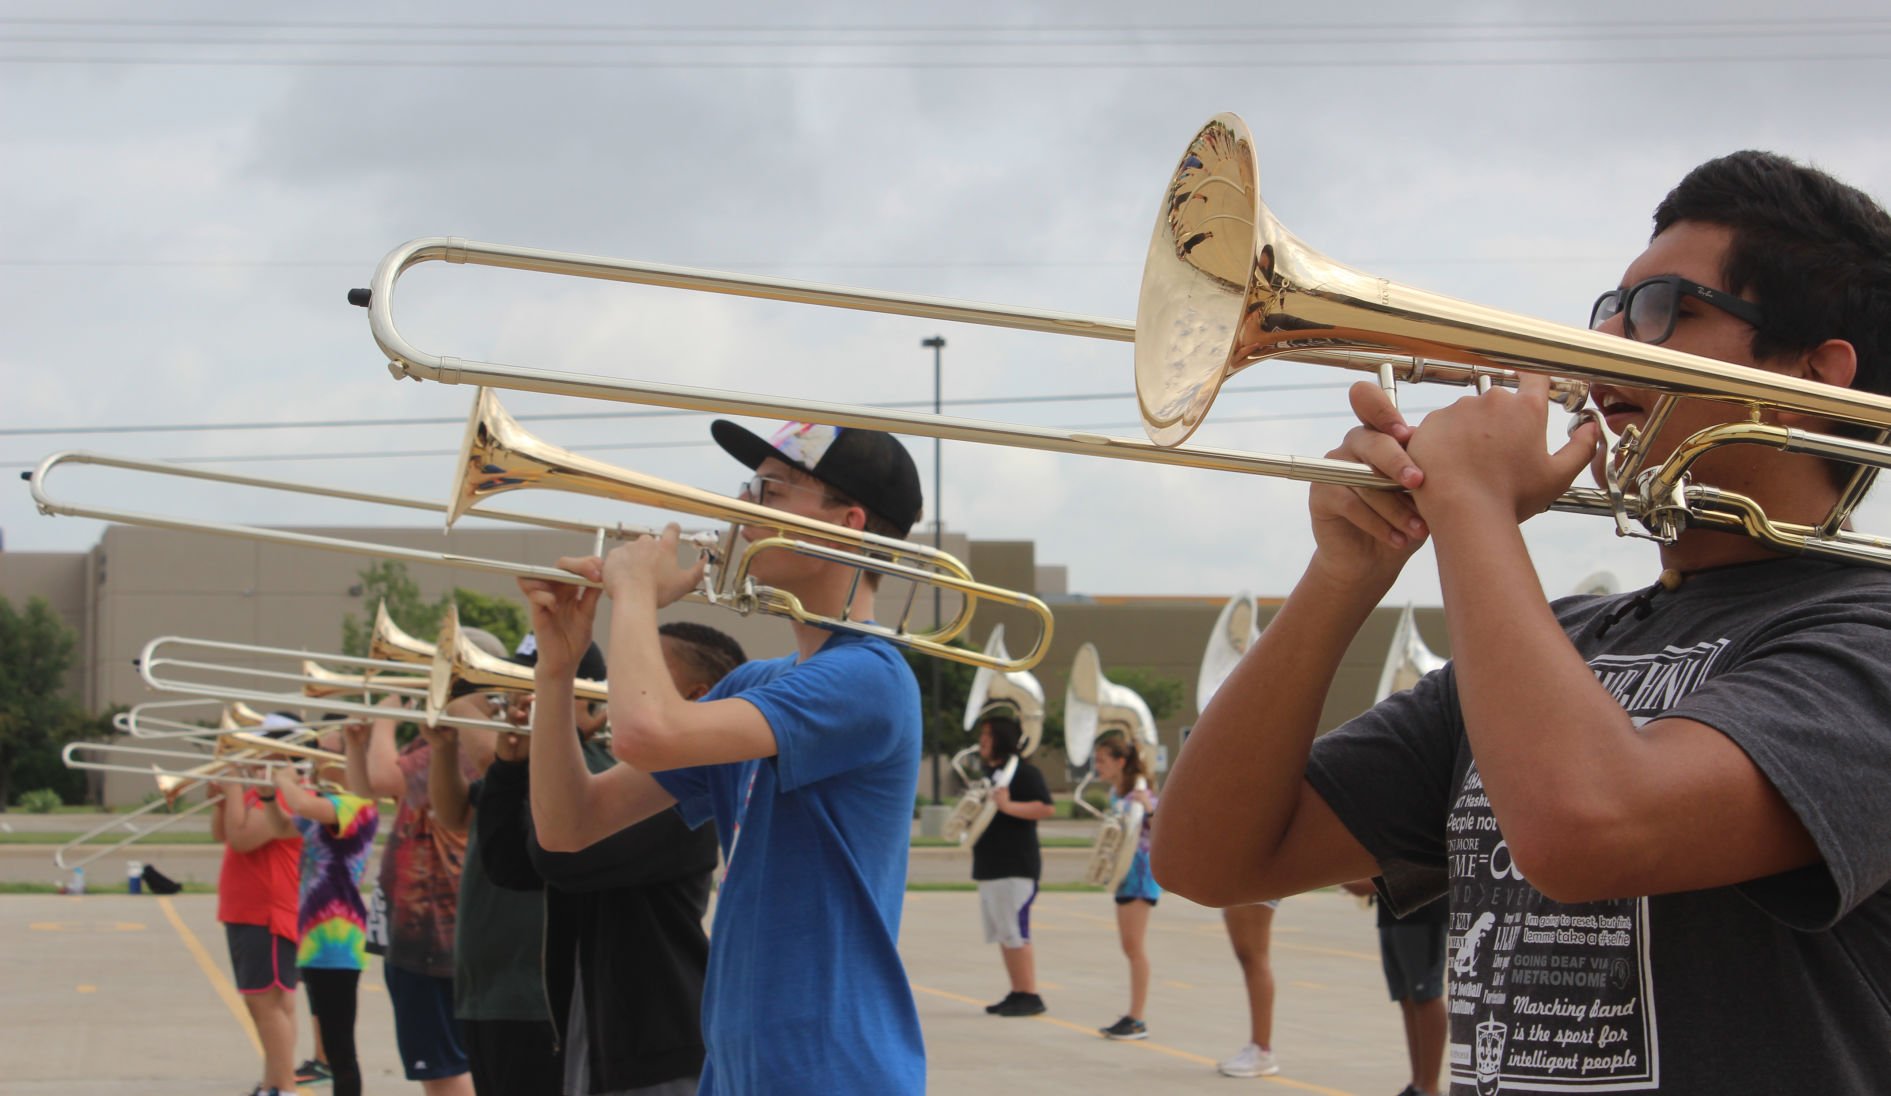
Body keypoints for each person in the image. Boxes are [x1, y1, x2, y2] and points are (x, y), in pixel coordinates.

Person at [1153, 151, 1891, 1093]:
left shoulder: (1866, 638)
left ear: (1816, 373)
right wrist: (1347, 573)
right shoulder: (1562, 640)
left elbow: (1588, 832)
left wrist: (1470, 509)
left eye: (1666, 308)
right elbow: (1210, 857)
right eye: (1612, 308)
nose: (1605, 343)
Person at [519, 418, 928, 1093]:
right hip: (737, 1069)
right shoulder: (756, 684)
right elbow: (570, 826)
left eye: (770, 491)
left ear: (846, 525)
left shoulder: (871, 678)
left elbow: (645, 732)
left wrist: (634, 597)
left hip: (830, 1070)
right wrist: (556, 672)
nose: (742, 508)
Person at [478, 623, 744, 1096]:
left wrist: (558, 733)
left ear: (696, 695)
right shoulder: (641, 782)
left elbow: (557, 855)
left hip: (658, 1046)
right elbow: (508, 866)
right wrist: (509, 766)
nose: (620, 689)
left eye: (644, 673)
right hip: (601, 1031)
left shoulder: (681, 799)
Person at [423, 627, 564, 1096]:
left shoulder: (572, 765)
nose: (519, 703)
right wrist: (442, 748)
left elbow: (490, 763)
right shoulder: (514, 767)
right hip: (484, 982)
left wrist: (460, 702)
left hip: (534, 991)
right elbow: (456, 814)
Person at [346, 685, 494, 1096]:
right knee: (441, 1066)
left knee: (443, 1068)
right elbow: (369, 788)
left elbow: (382, 776)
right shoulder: (442, 745)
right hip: (422, 928)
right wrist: (357, 745)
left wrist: (387, 712)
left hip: (431, 930)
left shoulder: (457, 746)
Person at [273, 724, 379, 1096]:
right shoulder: (326, 809)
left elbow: (300, 804)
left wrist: (284, 779)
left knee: (340, 1048)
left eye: (324, 757)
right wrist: (267, 791)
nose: (316, 764)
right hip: (315, 940)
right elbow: (284, 823)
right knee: (333, 1044)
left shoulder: (355, 807)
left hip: (338, 939)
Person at [210, 741, 303, 1096]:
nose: (252, 755)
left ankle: (285, 1086)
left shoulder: (280, 797)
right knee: (267, 1004)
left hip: (267, 912)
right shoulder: (258, 792)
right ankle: (274, 1082)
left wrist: (234, 786)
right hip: (245, 909)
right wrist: (223, 799)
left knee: (267, 1002)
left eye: (259, 747)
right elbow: (222, 834)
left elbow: (242, 838)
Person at [970, 712, 1056, 1018]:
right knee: (1005, 933)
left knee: (1016, 933)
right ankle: (1017, 991)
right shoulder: (990, 773)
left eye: (987, 736)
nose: (981, 742)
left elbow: (1045, 807)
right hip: (992, 866)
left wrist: (1007, 806)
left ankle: (1030, 994)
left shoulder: (1024, 774)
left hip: (1015, 867)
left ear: (1001, 740)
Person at [1342, 880, 1447, 1096]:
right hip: (1391, 911)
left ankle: (1429, 1087)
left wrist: (1367, 881)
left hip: (1424, 909)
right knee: (1406, 998)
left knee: (1426, 994)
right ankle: (1418, 1083)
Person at [1093, 733, 1158, 1042]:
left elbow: (1161, 826)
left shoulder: (1140, 793)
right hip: (1123, 873)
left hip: (1140, 875)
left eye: (1102, 760)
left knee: (1135, 947)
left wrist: (1150, 810)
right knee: (1129, 946)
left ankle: (1137, 1018)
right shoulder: (1115, 793)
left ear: (1120, 762)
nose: (1097, 766)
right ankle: (1133, 1015)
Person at [1215, 900, 1282, 1078]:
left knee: (1253, 958)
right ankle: (1260, 1048)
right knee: (1252, 959)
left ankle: (1261, 1050)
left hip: (1252, 885)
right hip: (1251, 884)